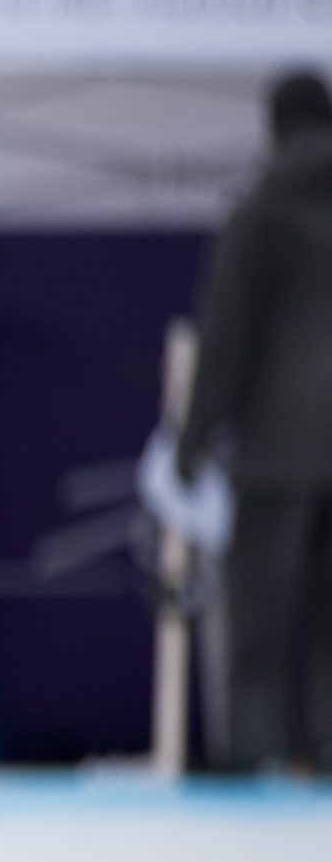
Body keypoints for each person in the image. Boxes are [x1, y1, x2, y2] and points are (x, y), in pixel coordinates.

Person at [177, 69, 332, 773]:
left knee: (260, 629)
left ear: (274, 126)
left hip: (278, 448)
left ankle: (254, 766)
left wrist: (195, 435)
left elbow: (229, 333)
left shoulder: (262, 208)